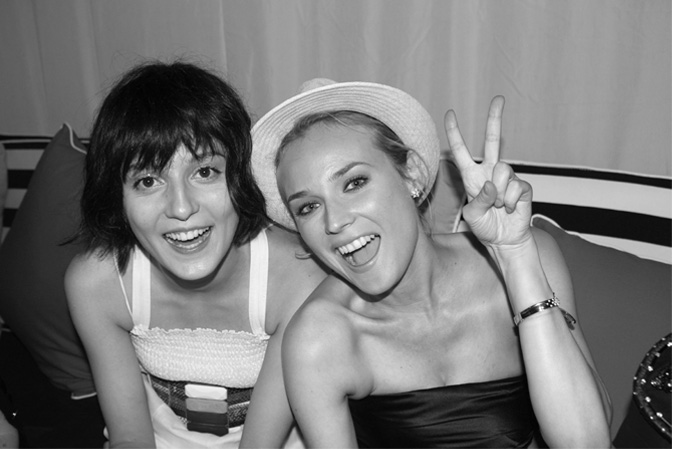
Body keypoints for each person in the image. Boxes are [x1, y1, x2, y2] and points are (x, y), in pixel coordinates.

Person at [251, 78, 613, 448]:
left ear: (411, 174)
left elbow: (588, 442)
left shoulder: (531, 255)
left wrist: (515, 256)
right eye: (308, 207)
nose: (334, 222)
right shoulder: (318, 339)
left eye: (354, 183)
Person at [65, 61, 327, 448]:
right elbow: (130, 437)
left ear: (241, 175)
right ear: (117, 197)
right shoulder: (97, 284)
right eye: (148, 180)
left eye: (204, 172)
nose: (181, 207)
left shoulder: (296, 278)